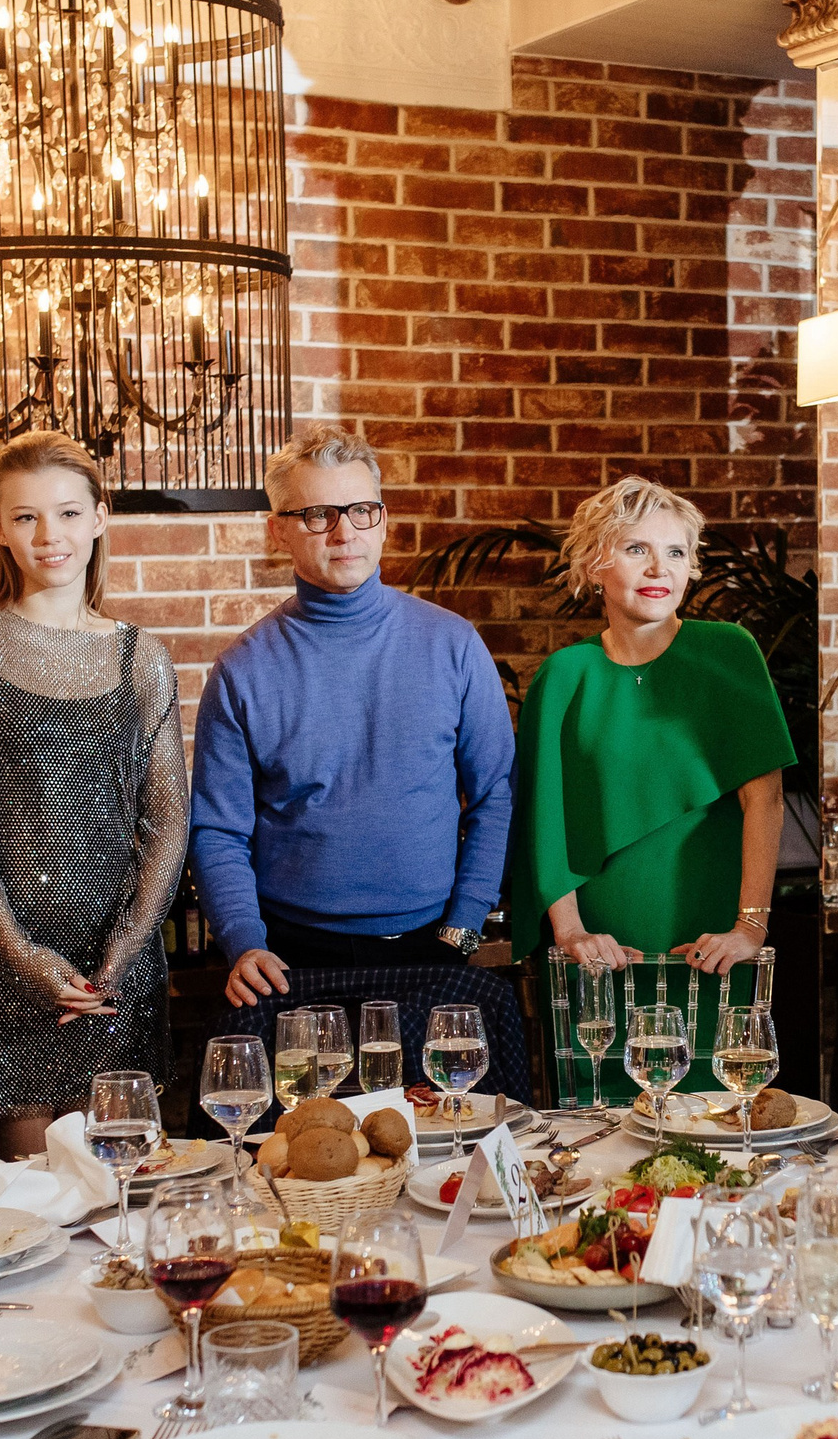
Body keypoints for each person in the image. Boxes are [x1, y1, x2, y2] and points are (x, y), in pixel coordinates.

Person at [0, 431, 188, 1158]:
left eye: (68, 513)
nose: (49, 535)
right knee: (28, 1203)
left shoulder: (141, 655)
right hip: (4, 972)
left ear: (99, 518)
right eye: (26, 516)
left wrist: (125, 953)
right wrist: (21, 956)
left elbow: (167, 821)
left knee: (123, 1197)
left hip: (117, 969)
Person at [191, 424, 514, 1009]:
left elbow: (495, 795)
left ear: (383, 521)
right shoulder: (243, 668)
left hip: (433, 947)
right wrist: (244, 943)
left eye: (362, 511)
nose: (345, 533)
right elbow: (218, 830)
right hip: (289, 959)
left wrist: (465, 927)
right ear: (278, 531)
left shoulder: (453, 644)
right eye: (318, 514)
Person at [508, 476, 795, 1091]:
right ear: (595, 564)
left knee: (719, 1118)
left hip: (712, 944)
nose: (659, 568)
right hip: (601, 951)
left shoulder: (730, 652)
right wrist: (570, 931)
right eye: (636, 549)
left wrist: (751, 925)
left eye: (675, 552)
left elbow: (764, 799)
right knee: (598, 1126)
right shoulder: (564, 676)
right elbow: (543, 816)